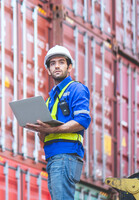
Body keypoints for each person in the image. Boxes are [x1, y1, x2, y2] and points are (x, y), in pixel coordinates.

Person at [25, 45, 91, 200]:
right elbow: (45, 137)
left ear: (70, 67)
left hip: (66, 155)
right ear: (48, 70)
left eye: (61, 62)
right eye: (53, 63)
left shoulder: (76, 89)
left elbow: (83, 120)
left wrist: (53, 130)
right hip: (54, 157)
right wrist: (41, 129)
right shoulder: (49, 100)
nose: (57, 66)